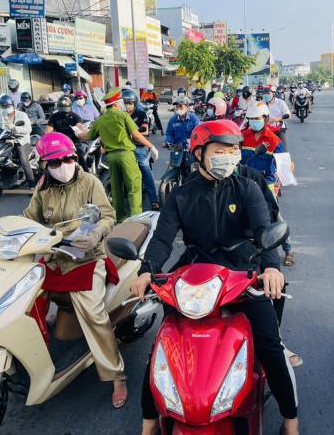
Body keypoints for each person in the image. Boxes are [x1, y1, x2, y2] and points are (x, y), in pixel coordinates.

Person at [131, 120, 299, 435]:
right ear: (199, 153)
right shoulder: (180, 194)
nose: (229, 156)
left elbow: (264, 229)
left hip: (243, 272)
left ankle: (291, 421)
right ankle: (149, 420)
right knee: (163, 347)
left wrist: (271, 267)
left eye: (234, 150)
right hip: (195, 273)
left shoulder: (247, 187)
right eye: (221, 150)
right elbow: (162, 239)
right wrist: (146, 272)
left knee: (270, 347)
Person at [23, 132, 127, 408]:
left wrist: (96, 234)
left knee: (94, 316)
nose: (63, 165)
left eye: (67, 158)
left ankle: (117, 374)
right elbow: (28, 219)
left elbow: (107, 215)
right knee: (22, 301)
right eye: (55, 162)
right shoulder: (43, 188)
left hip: (86, 260)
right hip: (54, 259)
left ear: (75, 157)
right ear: (45, 165)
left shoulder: (89, 182)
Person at [79, 88, 158, 221]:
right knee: (134, 186)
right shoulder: (123, 116)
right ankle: (135, 219)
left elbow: (88, 136)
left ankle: (120, 219)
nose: (123, 104)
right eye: (121, 102)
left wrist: (77, 134)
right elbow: (136, 135)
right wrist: (151, 146)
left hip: (111, 158)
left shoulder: (100, 119)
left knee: (116, 190)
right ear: (116, 103)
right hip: (126, 155)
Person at [242, 102, 295, 267]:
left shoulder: (273, 140)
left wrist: (287, 167)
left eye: (256, 118)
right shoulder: (242, 136)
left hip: (266, 184)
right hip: (244, 182)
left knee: (275, 217)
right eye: (250, 119)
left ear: (265, 119)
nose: (253, 122)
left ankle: (289, 249)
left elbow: (285, 165)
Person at [123, 91, 160, 210]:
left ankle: (154, 200)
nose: (127, 105)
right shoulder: (121, 115)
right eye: (125, 103)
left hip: (139, 147)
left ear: (134, 103)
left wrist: (132, 133)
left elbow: (145, 130)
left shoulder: (140, 113)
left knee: (145, 170)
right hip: (124, 148)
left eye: (129, 103)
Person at [0, 93, 35, 188]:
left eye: (7, 106)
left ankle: (31, 183)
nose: (5, 109)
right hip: (7, 141)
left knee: (24, 161)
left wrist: (15, 128)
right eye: (3, 107)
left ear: (12, 105)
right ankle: (4, 180)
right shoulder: (2, 115)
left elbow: (28, 130)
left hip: (21, 141)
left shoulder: (22, 115)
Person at [46, 96, 87, 168]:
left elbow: (79, 126)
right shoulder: (54, 117)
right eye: (63, 109)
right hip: (60, 142)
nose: (65, 112)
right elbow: (48, 131)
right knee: (50, 158)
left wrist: (78, 128)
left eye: (67, 109)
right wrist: (46, 140)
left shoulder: (75, 116)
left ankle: (86, 172)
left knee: (80, 155)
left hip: (74, 142)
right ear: (58, 108)